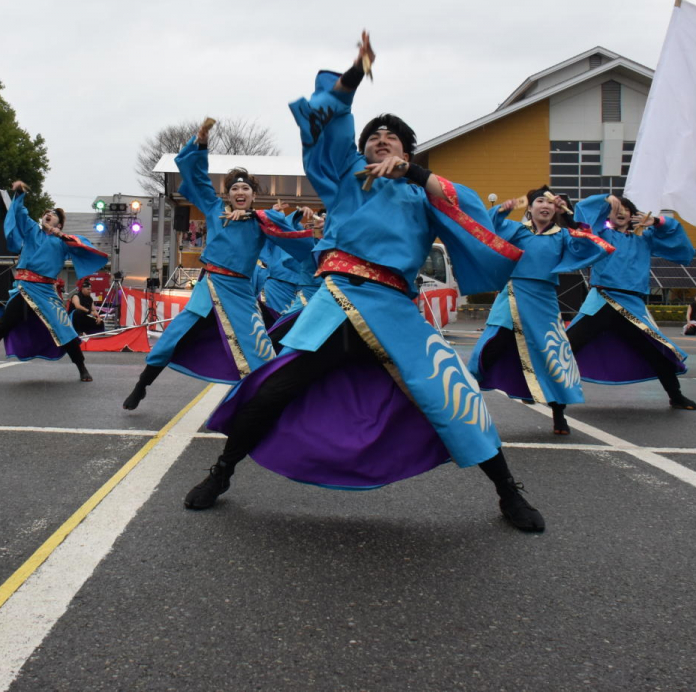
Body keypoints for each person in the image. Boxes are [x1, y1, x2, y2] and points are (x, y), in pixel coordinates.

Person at [184, 34, 546, 533]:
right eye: (374, 134)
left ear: (407, 150)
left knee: (451, 394)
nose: (380, 138)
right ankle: (221, 473)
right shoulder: (345, 176)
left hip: (395, 308)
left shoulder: (425, 194)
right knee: (271, 391)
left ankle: (509, 493)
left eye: (391, 136)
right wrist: (355, 73)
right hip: (335, 301)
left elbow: (469, 213)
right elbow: (324, 122)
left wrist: (417, 174)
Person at [122, 120, 314, 410]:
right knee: (174, 336)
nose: (240, 191)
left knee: (258, 348)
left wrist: (303, 214)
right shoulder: (215, 210)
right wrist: (200, 143)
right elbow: (196, 178)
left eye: (245, 189)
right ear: (228, 195)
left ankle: (269, 405)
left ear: (252, 196)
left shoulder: (262, 220)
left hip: (240, 292)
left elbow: (291, 230)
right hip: (208, 285)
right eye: (235, 187)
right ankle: (142, 385)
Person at [468, 186, 614, 435]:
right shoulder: (516, 230)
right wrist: (505, 207)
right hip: (512, 295)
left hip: (544, 299)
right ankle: (464, 403)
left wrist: (568, 216)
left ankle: (559, 415)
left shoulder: (563, 236)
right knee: (492, 346)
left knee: (552, 357)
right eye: (539, 201)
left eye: (550, 203)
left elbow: (589, 244)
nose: (545, 206)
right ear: (531, 207)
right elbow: (485, 227)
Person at [0, 181, 108, 382]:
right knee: (2, 327)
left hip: (46, 292)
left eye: (54, 214)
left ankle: (81, 367)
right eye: (47, 212)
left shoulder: (63, 241)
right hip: (25, 289)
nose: (49, 214)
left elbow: (83, 247)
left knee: (64, 327)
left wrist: (61, 235)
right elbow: (20, 213)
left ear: (60, 223)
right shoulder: (32, 231)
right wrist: (19, 194)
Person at [566, 193, 696, 410]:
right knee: (568, 345)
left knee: (655, 350)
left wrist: (658, 221)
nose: (620, 212)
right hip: (602, 299)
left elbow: (680, 244)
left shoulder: (645, 239)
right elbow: (583, 212)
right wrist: (608, 199)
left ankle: (676, 395)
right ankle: (541, 389)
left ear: (634, 215)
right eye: (616, 210)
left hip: (631, 304)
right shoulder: (601, 235)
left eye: (625, 209)